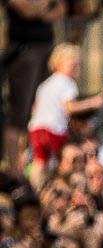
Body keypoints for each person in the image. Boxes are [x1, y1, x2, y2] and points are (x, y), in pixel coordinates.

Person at [26, 43, 103, 190]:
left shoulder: (45, 84)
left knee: (39, 162)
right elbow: (70, 107)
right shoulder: (68, 83)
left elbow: (35, 108)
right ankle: (61, 187)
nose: (77, 69)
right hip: (54, 129)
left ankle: (35, 189)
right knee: (63, 162)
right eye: (74, 65)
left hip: (37, 128)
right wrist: (93, 102)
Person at [1, 0, 65, 177]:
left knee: (38, 112)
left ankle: (31, 164)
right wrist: (45, 7)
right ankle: (14, 170)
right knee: (19, 113)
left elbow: (60, 9)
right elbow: (26, 9)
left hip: (46, 47)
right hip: (24, 51)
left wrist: (42, 9)